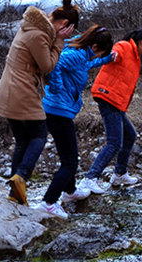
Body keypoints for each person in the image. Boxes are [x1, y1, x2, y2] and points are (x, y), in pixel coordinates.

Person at [0, 0, 79, 206]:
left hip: (9, 89)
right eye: (70, 31)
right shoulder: (40, 35)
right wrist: (59, 42)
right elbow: (47, 65)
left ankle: (15, 192)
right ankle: (21, 177)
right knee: (39, 135)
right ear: (65, 25)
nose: (68, 35)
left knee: (23, 140)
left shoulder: (30, 28)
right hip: (22, 91)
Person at [37, 24, 115, 218]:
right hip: (58, 110)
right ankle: (48, 202)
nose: (97, 57)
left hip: (57, 109)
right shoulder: (76, 55)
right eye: (101, 53)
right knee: (70, 162)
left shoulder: (81, 52)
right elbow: (56, 65)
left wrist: (107, 59)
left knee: (69, 155)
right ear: (95, 46)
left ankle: (70, 192)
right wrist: (57, 88)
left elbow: (87, 64)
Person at [75, 27, 142, 196]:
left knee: (130, 135)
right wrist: (111, 56)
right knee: (114, 142)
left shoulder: (134, 56)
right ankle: (90, 178)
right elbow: (115, 53)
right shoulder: (124, 46)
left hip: (116, 101)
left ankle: (119, 174)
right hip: (108, 97)